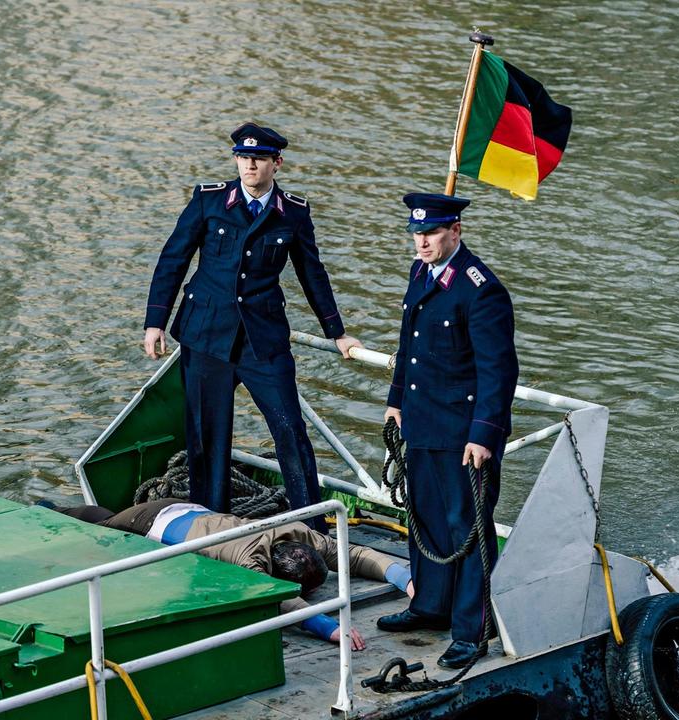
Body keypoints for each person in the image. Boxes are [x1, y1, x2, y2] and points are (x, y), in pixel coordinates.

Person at [141, 122, 363, 532]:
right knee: (208, 437)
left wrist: (337, 332)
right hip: (206, 333)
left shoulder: (293, 212)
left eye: (258, 159)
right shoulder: (209, 201)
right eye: (243, 158)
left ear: (276, 163)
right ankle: (211, 526)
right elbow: (173, 258)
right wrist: (155, 322)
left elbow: (312, 273)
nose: (249, 166)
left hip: (263, 339)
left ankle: (311, 524)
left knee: (290, 428)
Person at [376, 193, 519, 670]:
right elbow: (408, 345)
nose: (422, 241)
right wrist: (397, 401)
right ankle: (429, 607)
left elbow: (498, 371)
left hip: (463, 434)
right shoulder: (422, 272)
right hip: (422, 422)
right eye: (417, 233)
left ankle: (470, 630)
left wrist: (484, 434)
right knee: (428, 520)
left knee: (468, 530)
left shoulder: (480, 289)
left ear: (455, 231)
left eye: (432, 233)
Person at [44, 498, 413, 650]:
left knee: (103, 516)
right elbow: (280, 597)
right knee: (100, 524)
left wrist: (403, 578)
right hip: (151, 521)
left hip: (189, 509)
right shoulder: (247, 556)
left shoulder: (298, 535)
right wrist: (329, 628)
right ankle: (47, 510)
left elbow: (356, 553)